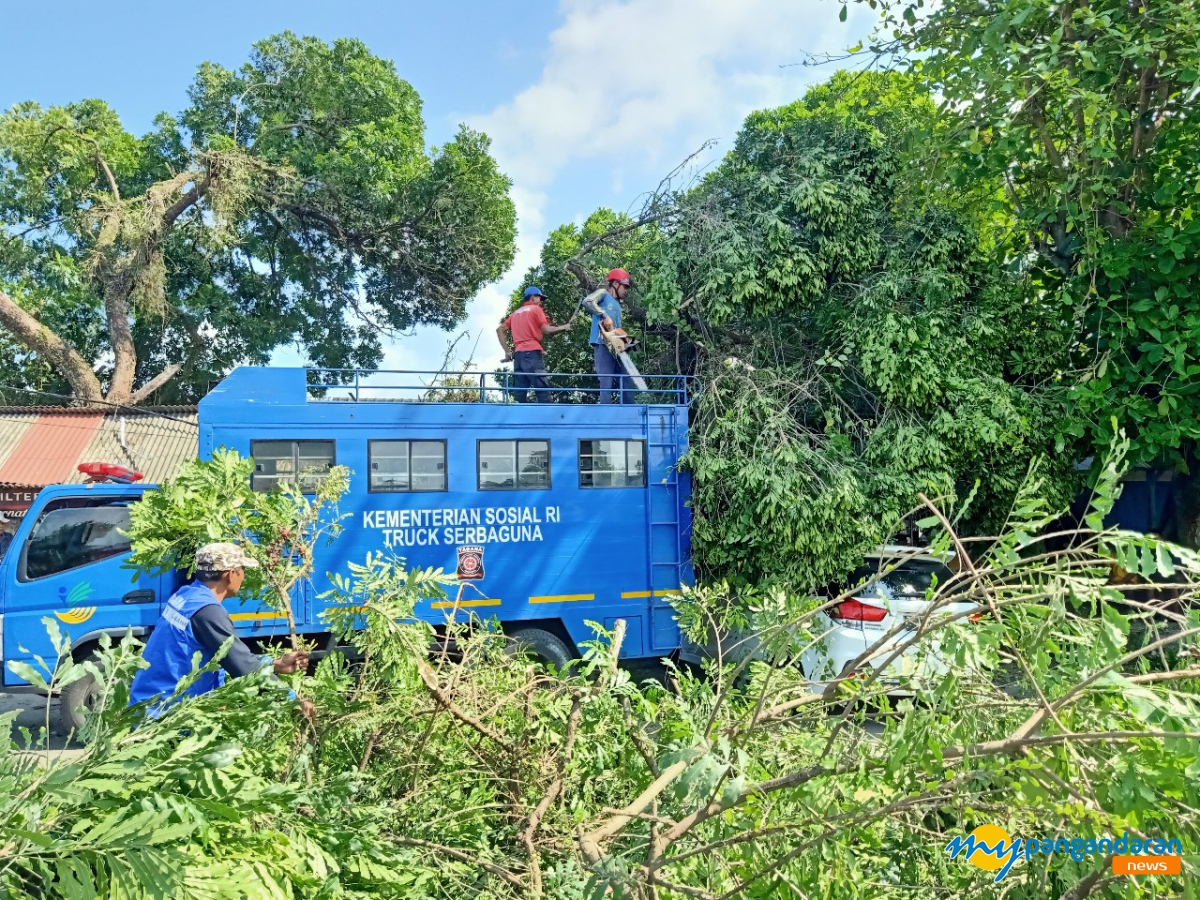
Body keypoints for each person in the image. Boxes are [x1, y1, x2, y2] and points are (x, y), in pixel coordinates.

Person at [129, 542, 313, 719]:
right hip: (164, 714)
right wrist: (293, 701)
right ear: (231, 575)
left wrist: (275, 664)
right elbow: (243, 667)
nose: (244, 576)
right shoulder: (208, 611)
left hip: (149, 703)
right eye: (243, 570)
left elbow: (229, 656)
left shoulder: (186, 595)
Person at [496, 286, 572, 403]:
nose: (541, 301)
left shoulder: (515, 313)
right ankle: (548, 419)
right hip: (531, 354)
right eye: (539, 298)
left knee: (519, 394)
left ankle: (519, 419)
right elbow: (547, 330)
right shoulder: (536, 310)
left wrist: (507, 351)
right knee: (542, 390)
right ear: (532, 297)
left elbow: (499, 330)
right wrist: (564, 327)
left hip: (519, 356)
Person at [584, 268, 633, 404]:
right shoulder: (603, 294)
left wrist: (626, 342)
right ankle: (606, 413)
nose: (626, 290)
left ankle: (630, 412)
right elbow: (587, 301)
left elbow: (615, 327)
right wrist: (604, 315)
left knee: (627, 378)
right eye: (625, 286)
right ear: (616, 284)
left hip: (616, 344)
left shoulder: (617, 304)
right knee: (606, 381)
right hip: (602, 343)